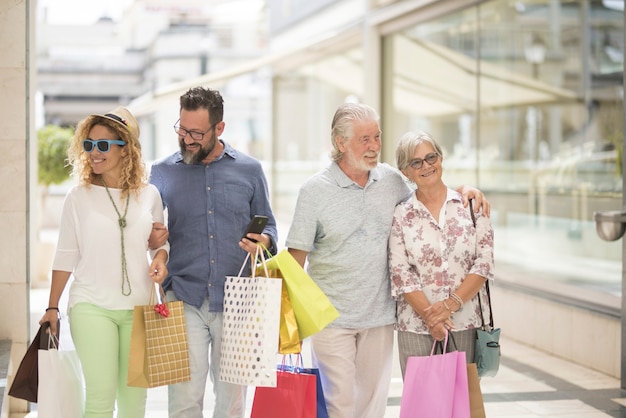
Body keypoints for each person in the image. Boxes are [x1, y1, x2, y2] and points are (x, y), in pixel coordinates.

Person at [285, 102, 490, 418]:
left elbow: (429, 191)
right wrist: (290, 326)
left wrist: (466, 189)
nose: (374, 146)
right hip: (330, 318)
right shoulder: (314, 191)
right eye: (364, 139)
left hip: (379, 317)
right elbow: (295, 260)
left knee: (372, 406)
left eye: (377, 137)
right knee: (340, 404)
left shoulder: (392, 180)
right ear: (341, 143)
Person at [148, 86, 278, 418]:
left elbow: (271, 228)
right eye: (182, 129)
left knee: (231, 404)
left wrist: (264, 240)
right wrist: (152, 240)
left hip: (238, 300)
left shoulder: (249, 170)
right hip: (182, 297)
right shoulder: (161, 172)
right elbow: (149, 235)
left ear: (219, 128)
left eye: (196, 133)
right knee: (183, 402)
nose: (187, 139)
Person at [39, 107, 170, 418]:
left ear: (125, 149)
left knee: (133, 404)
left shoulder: (149, 195)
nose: (94, 153)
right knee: (100, 397)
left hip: (139, 309)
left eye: (103, 145)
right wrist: (52, 307)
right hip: (91, 306)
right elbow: (66, 254)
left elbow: (160, 245)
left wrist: (161, 259)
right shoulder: (77, 197)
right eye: (88, 145)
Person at [388, 130, 495, 377]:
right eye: (416, 162)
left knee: (460, 407)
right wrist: (431, 318)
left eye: (431, 157)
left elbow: (484, 262)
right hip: (415, 326)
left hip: (465, 321)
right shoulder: (401, 215)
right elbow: (400, 272)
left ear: (441, 158)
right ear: (406, 171)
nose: (426, 166)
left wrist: (450, 306)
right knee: (422, 406)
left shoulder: (472, 206)